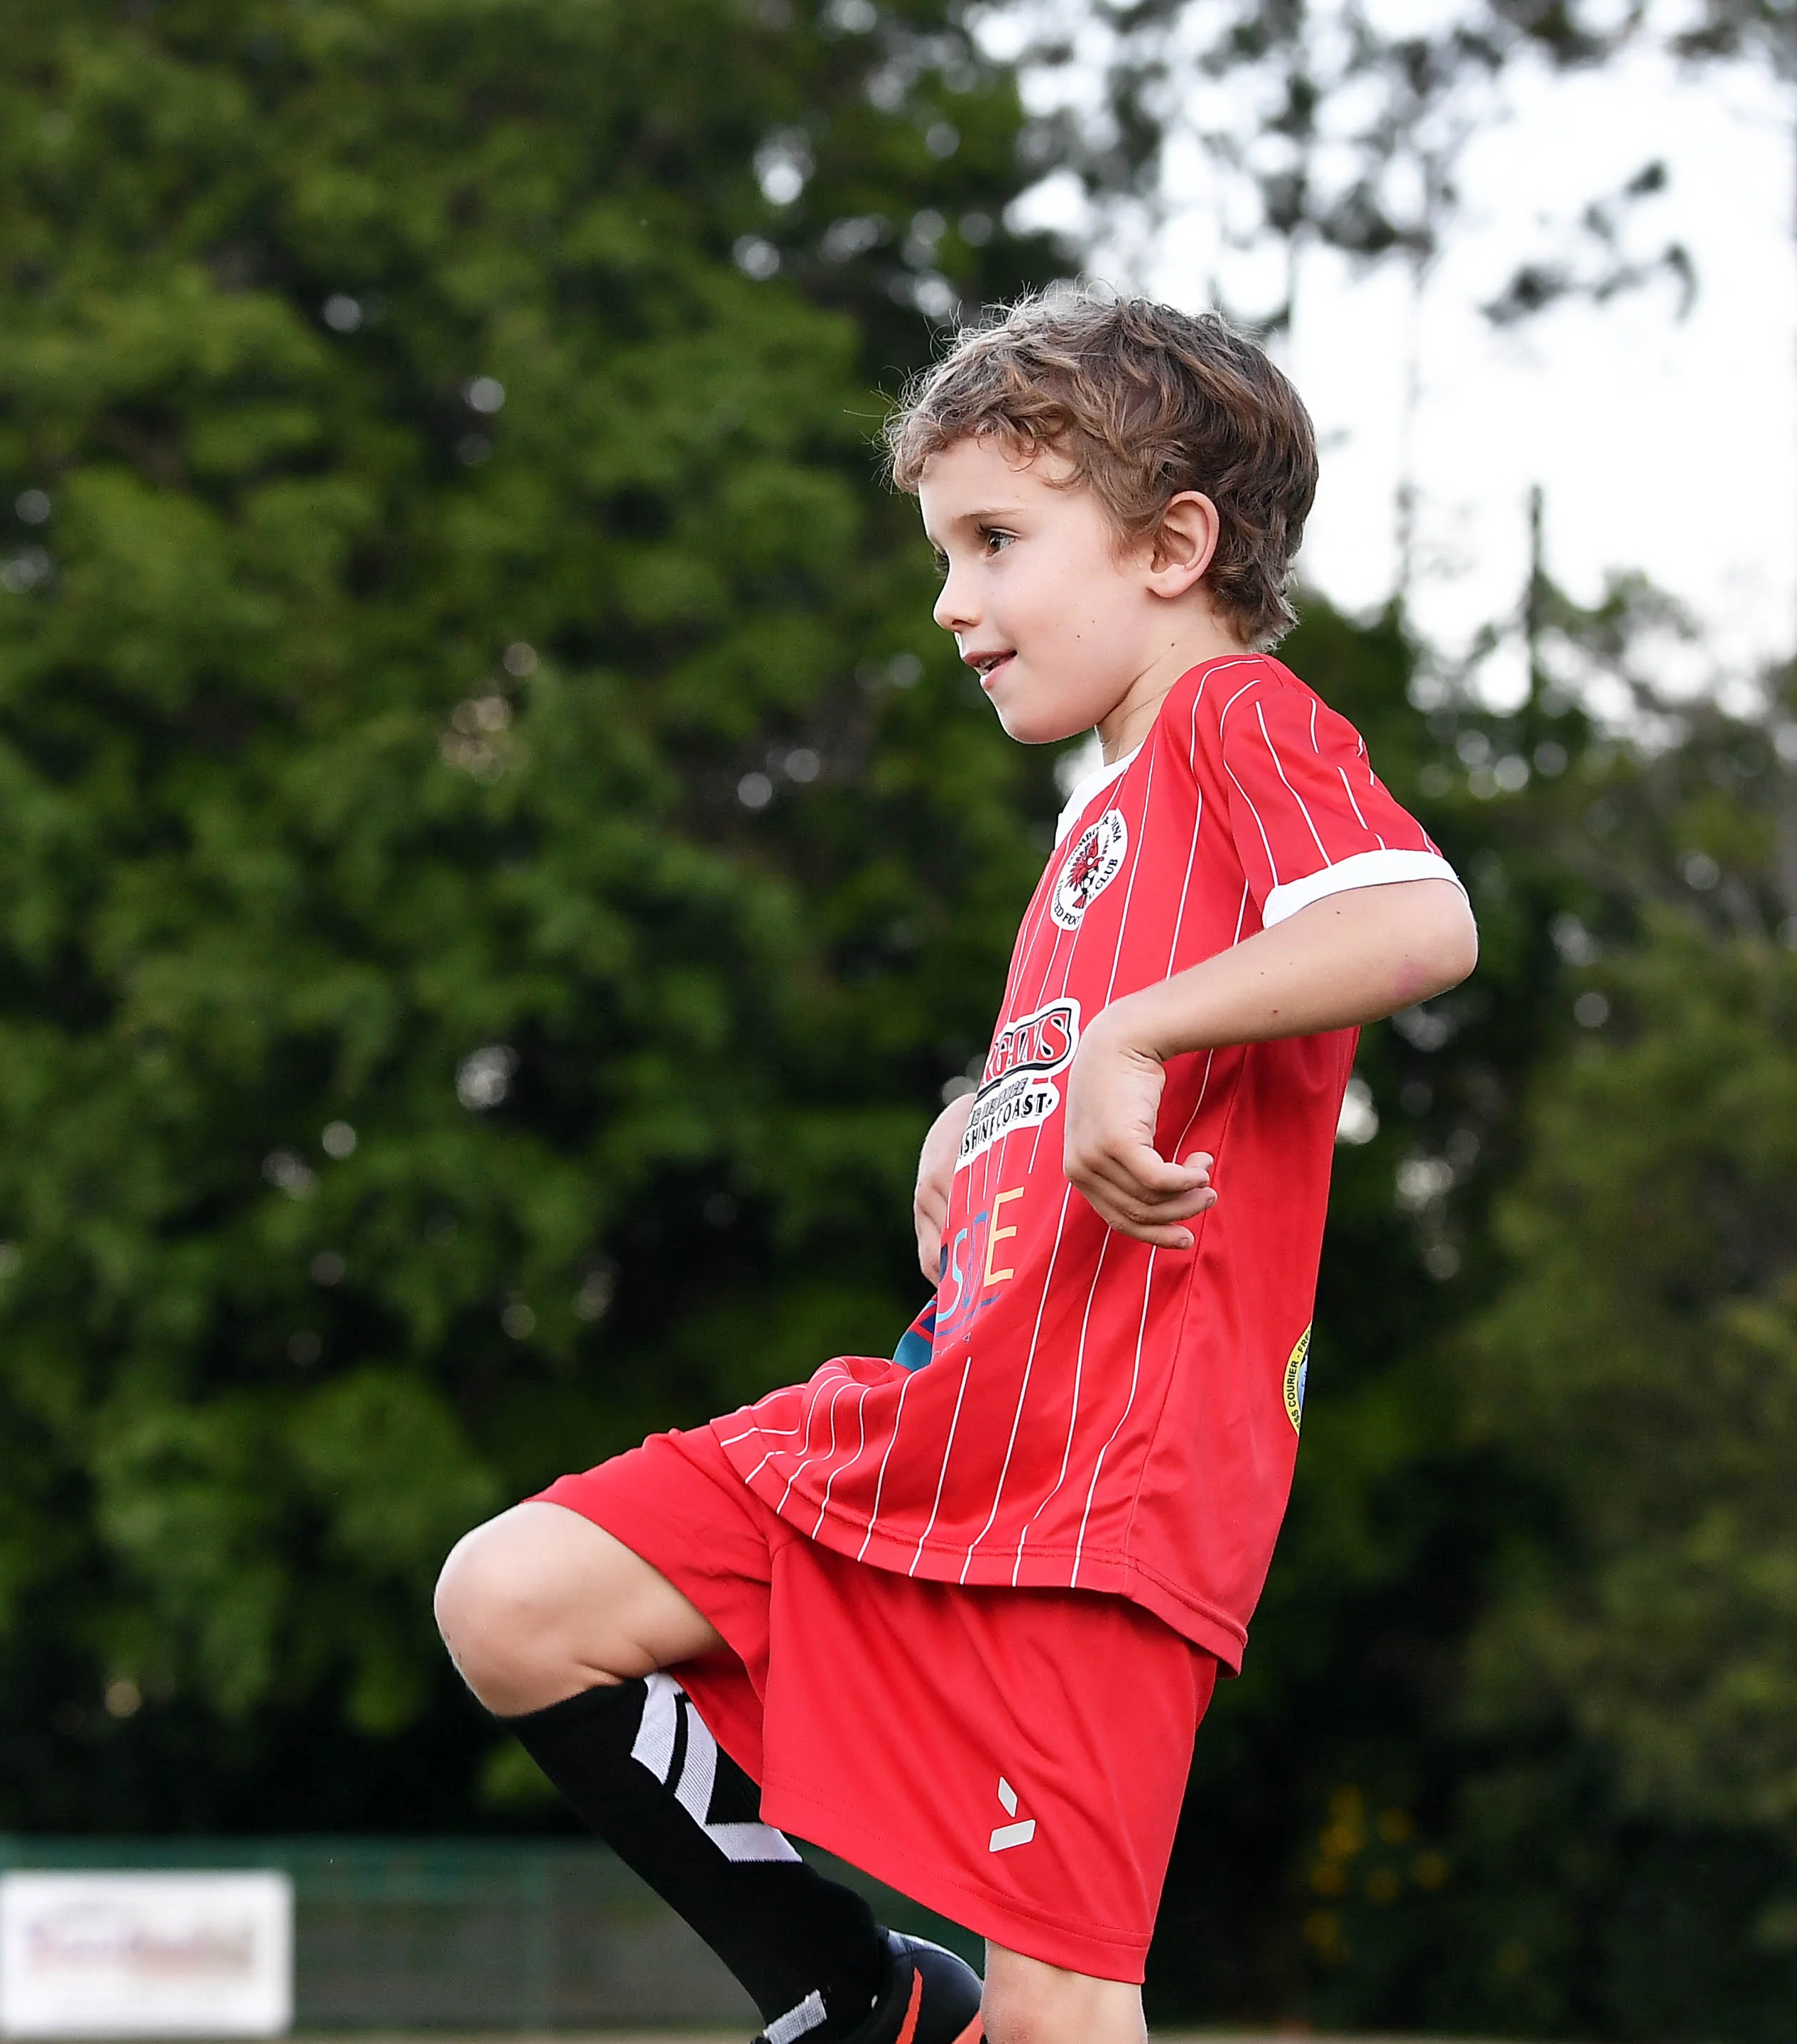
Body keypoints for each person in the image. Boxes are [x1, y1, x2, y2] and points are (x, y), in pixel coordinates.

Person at [433, 291, 1479, 2044]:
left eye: (997, 540)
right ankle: (858, 2005)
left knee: (1063, 2012)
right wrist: (983, 1108)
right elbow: (1090, 1047)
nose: (951, 600)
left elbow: (1415, 915)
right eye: (944, 549)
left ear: (1173, 543)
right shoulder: (1096, 818)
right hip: (930, 1445)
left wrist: (1127, 1039)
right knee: (515, 1597)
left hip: (1099, 1506)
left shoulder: (1237, 718)